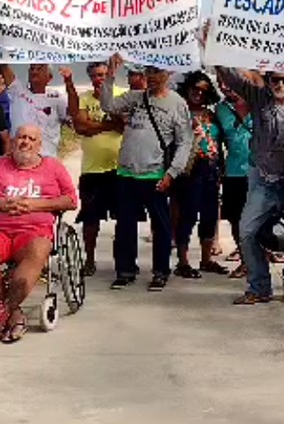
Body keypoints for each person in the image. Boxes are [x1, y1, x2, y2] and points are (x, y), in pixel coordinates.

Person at [216, 67, 284, 306]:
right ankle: (259, 287)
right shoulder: (259, 98)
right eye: (276, 80)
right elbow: (232, 78)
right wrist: (213, 52)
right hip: (263, 180)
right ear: (269, 81)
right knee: (246, 232)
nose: (281, 85)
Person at [0, 124, 78, 347]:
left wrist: (35, 205)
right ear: (13, 141)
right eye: (21, 137)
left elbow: (70, 201)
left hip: (34, 232)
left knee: (37, 253)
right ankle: (12, 313)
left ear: (39, 144)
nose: (25, 142)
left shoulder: (53, 167)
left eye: (31, 139)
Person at [100, 55, 193, 292]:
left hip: (155, 175)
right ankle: (125, 270)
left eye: (157, 72)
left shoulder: (177, 103)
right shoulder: (135, 97)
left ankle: (161, 271)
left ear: (168, 73)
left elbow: (184, 142)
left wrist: (171, 173)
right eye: (148, 71)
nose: (151, 76)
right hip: (126, 173)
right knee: (125, 226)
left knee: (160, 227)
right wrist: (111, 74)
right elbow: (108, 105)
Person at [64, 61, 126, 276]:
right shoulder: (85, 98)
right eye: (95, 76)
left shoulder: (122, 95)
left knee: (124, 218)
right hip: (92, 169)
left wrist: (106, 105)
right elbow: (81, 126)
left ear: (109, 74)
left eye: (102, 74)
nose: (99, 79)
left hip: (120, 168)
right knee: (90, 220)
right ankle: (89, 259)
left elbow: (124, 124)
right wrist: (108, 125)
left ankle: (123, 261)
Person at [172, 71, 229, 278]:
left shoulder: (211, 115)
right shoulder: (180, 113)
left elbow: (219, 143)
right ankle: (183, 262)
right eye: (195, 89)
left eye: (203, 91)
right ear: (187, 89)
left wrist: (221, 168)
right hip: (189, 171)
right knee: (186, 216)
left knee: (209, 216)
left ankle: (206, 260)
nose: (198, 93)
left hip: (211, 171)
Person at [215, 79, 253, 279]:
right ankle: (246, 261)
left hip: (260, 172)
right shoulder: (221, 109)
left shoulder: (258, 102)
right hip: (234, 172)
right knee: (235, 219)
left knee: (263, 218)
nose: (225, 86)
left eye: (228, 81)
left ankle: (265, 254)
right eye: (221, 82)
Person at [1, 63, 71, 157]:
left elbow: (73, 115)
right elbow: (4, 66)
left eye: (39, 69)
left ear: (49, 77)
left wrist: (69, 82)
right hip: (19, 160)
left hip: (46, 159)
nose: (34, 72)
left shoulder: (57, 98)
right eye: (32, 69)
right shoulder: (17, 92)